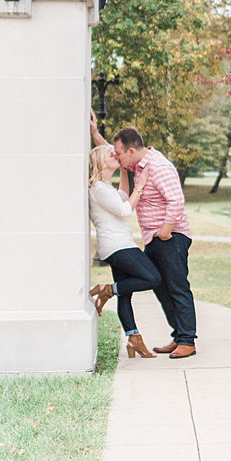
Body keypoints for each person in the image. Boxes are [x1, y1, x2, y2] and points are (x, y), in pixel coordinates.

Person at [91, 115, 198, 359]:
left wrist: (167, 229)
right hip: (154, 239)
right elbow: (108, 156)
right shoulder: (136, 164)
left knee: (178, 288)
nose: (115, 156)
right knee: (161, 288)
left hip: (171, 237)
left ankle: (188, 340)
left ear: (130, 150)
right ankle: (179, 335)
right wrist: (96, 134)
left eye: (118, 153)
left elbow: (176, 201)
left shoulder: (158, 166)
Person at [87, 144, 162, 358]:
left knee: (125, 294)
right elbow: (124, 209)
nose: (115, 155)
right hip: (117, 246)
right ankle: (107, 289)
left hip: (119, 245)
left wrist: (125, 171)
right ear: (100, 162)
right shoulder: (98, 189)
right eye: (110, 155)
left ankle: (133, 338)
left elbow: (123, 195)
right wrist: (141, 184)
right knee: (153, 278)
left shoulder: (106, 189)